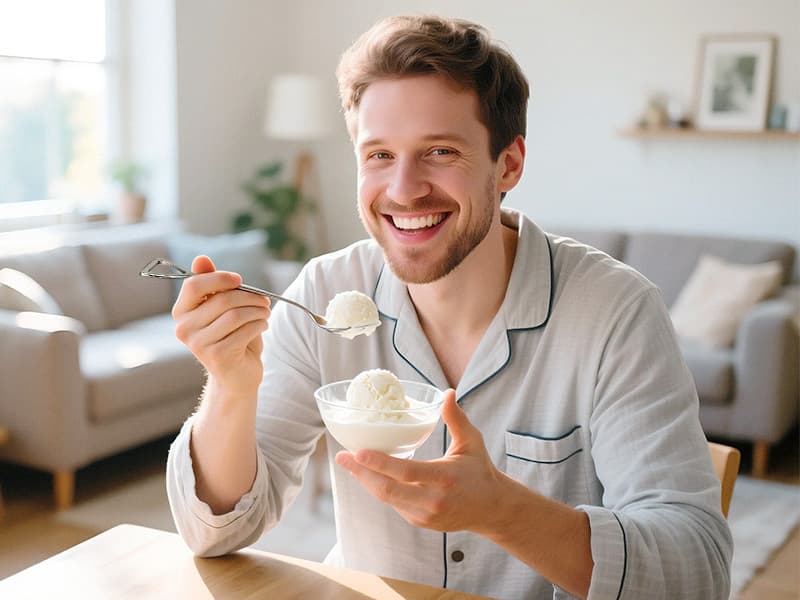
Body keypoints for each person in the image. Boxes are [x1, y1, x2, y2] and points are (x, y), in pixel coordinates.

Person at [166, 14, 732, 599]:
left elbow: (697, 573)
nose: (404, 189)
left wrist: (504, 511)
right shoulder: (322, 292)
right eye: (379, 155)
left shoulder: (616, 311)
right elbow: (215, 532)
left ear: (508, 164)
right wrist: (231, 387)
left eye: (439, 151)